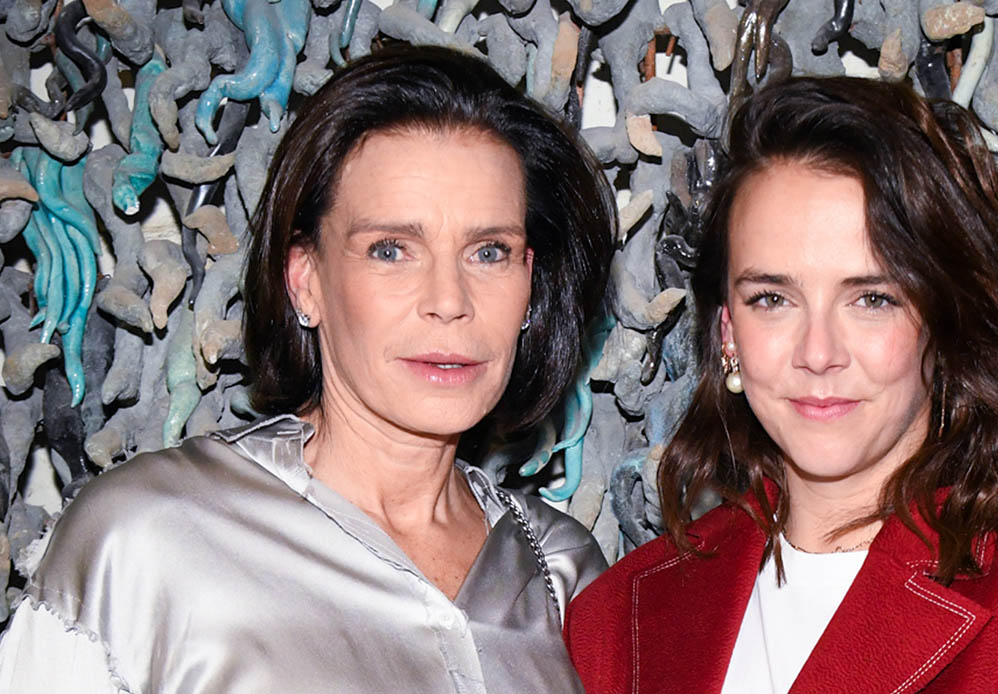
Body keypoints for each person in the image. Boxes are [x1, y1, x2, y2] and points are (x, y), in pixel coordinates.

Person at [564, 76, 998, 693]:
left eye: (871, 298)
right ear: (727, 332)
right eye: (773, 299)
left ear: (943, 321)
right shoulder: (610, 624)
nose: (818, 354)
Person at [0, 44, 615, 693]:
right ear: (305, 280)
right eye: (391, 250)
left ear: (530, 281)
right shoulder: (144, 538)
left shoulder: (563, 572)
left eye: (488, 251)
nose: (449, 300)